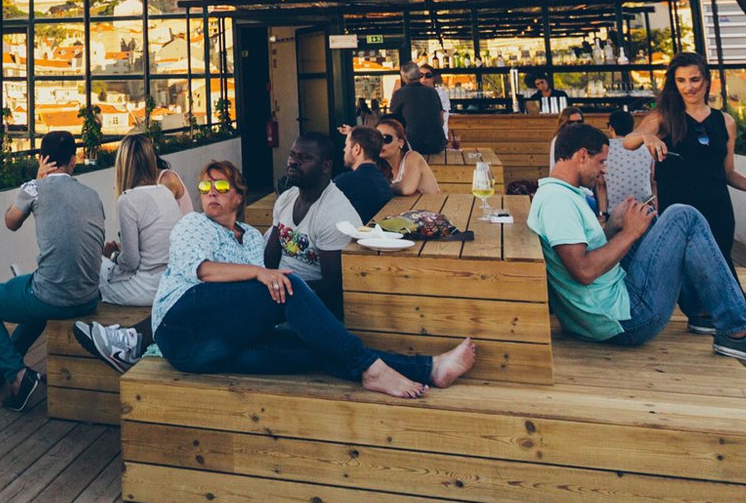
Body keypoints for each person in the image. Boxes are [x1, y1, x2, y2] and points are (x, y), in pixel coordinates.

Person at [74, 159, 475, 396]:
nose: (209, 193)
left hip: (224, 345)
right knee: (285, 282)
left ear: (238, 196)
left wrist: (286, 302)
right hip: (183, 331)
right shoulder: (193, 225)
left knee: (318, 350)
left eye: (220, 186)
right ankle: (377, 371)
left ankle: (428, 368)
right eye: (204, 187)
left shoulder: (251, 238)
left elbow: (264, 297)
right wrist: (264, 274)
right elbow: (206, 272)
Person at [528, 121, 746, 366]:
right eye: (600, 162)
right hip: (624, 321)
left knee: (653, 219)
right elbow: (583, 271)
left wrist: (614, 226)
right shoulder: (558, 202)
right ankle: (737, 332)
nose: (603, 170)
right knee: (684, 216)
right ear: (581, 156)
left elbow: (583, 252)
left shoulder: (560, 194)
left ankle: (703, 315)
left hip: (598, 315)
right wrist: (629, 233)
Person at [0, 130, 105, 413]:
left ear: (42, 158)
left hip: (51, 296)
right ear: (74, 160)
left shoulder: (34, 188)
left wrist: (35, 182)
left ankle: (17, 376)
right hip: (88, 296)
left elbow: (11, 222)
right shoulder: (92, 195)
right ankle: (0, 371)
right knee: (36, 296)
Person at [632, 52, 746, 269]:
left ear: (706, 81)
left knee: (721, 269)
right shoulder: (663, 117)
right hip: (679, 212)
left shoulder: (725, 121)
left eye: (694, 79)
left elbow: (727, 173)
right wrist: (646, 136)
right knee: (687, 274)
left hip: (718, 210)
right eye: (681, 81)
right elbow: (629, 141)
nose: (688, 87)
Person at [263, 133, 361, 312]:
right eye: (292, 155)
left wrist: (281, 290)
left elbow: (332, 286)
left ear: (326, 166)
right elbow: (270, 258)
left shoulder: (335, 214)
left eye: (304, 158)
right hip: (276, 292)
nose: (293, 162)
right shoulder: (286, 199)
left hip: (312, 305)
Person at [96, 134, 189, 306]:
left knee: (96, 263)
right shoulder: (165, 192)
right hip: (172, 282)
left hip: (148, 289)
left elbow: (131, 262)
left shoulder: (127, 200)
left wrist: (113, 256)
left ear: (122, 165)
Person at [335, 126, 395, 222]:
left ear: (356, 149)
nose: (344, 150)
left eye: (346, 145)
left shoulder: (345, 182)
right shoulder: (382, 180)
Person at [388, 60, 447, 156]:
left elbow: (392, 122)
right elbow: (441, 120)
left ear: (403, 77)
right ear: (419, 74)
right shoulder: (432, 92)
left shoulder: (399, 93)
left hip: (413, 146)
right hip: (437, 144)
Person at [373, 116, 440, 200]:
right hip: (408, 210)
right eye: (377, 139)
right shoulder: (380, 165)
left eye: (386, 139)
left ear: (400, 143)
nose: (381, 144)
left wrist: (378, 187)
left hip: (433, 208)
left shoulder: (413, 157)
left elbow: (406, 188)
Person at [420, 65, 451, 140]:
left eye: (428, 75)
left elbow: (440, 118)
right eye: (420, 75)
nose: (424, 78)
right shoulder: (415, 93)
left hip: (437, 137)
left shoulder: (440, 93)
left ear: (433, 78)